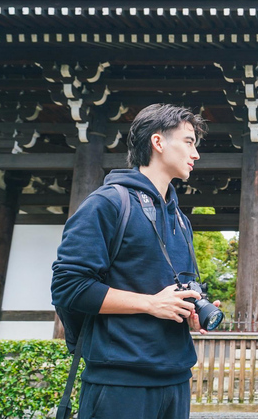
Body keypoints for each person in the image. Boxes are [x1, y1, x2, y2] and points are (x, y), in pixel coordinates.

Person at [51, 103, 219, 419]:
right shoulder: (108, 203)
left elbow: (176, 284)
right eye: (188, 141)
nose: (195, 154)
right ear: (158, 142)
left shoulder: (180, 219)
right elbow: (68, 287)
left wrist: (190, 309)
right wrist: (149, 304)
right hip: (119, 382)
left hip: (176, 378)